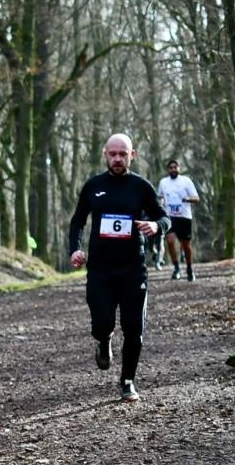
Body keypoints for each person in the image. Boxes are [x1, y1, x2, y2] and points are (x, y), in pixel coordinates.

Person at [68, 134, 168, 403]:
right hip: (100, 270)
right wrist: (75, 249)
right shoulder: (93, 186)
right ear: (105, 155)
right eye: (113, 154)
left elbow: (163, 216)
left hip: (133, 269)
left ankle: (128, 381)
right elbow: (77, 221)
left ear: (132, 155)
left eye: (122, 154)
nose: (117, 159)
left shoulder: (141, 187)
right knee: (101, 324)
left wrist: (157, 226)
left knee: (134, 327)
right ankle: (103, 340)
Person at [157, 158, 201, 281]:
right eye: (171, 168)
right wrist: (160, 208)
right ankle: (176, 268)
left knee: (186, 245)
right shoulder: (163, 182)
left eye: (175, 167)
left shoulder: (186, 181)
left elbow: (197, 199)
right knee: (170, 241)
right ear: (168, 170)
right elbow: (159, 197)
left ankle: (189, 268)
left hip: (184, 216)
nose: (173, 170)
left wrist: (187, 199)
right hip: (169, 217)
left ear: (179, 169)